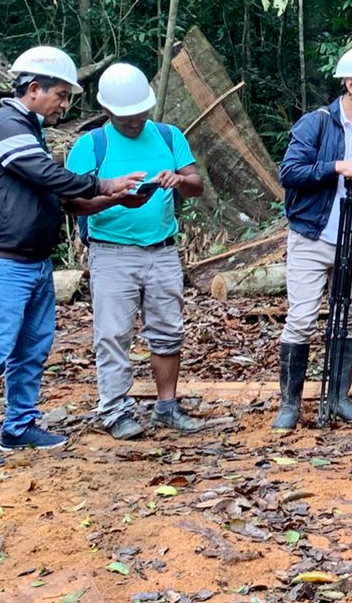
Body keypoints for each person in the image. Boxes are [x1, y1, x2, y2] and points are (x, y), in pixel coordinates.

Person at [0, 47, 145, 471]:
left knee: (32, 348)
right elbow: (46, 175)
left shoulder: (28, 130)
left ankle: (18, 426)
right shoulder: (5, 125)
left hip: (33, 261)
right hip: (0, 260)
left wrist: (109, 199)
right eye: (61, 95)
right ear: (34, 89)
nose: (65, 105)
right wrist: (104, 184)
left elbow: (54, 193)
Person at [65, 63, 206, 440]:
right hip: (112, 253)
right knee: (113, 334)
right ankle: (115, 411)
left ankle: (167, 406)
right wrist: (113, 199)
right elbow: (72, 204)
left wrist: (179, 180)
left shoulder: (168, 135)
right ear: (108, 111)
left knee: (168, 331)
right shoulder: (91, 145)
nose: (134, 121)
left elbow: (197, 184)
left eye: (140, 112)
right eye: (126, 116)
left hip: (162, 250)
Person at [273, 47, 352, 431]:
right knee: (301, 318)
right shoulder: (317, 123)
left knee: (351, 317)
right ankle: (290, 404)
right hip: (312, 235)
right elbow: (290, 172)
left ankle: (339, 397)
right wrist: (337, 167)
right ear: (351, 85)